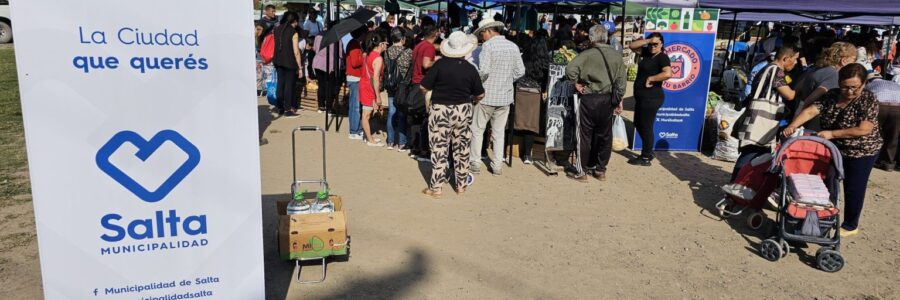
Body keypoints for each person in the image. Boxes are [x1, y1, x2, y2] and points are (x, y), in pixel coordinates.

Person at [784, 63, 883, 237]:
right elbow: (810, 111)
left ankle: (851, 225)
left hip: (861, 151)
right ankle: (820, 217)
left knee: (853, 187)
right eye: (845, 87)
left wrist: (832, 134)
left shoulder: (868, 99)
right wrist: (793, 125)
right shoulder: (831, 95)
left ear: (864, 84)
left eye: (854, 87)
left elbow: (864, 129)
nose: (849, 91)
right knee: (824, 183)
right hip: (834, 149)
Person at [420, 31, 485, 198]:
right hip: (463, 110)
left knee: (439, 149)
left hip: (440, 110)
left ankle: (436, 188)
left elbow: (423, 87)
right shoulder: (471, 69)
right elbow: (480, 94)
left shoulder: (439, 66)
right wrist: (473, 100)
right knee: (462, 148)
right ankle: (461, 186)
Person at [565, 24, 626, 182]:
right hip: (607, 100)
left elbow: (570, 69)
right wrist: (617, 99)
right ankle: (600, 170)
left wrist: (576, 84)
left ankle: (582, 172)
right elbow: (621, 83)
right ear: (605, 38)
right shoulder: (617, 56)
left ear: (591, 38)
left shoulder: (587, 54)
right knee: (605, 136)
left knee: (584, 136)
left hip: (589, 98)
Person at [731, 46, 800, 181]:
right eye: (795, 59)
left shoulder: (765, 68)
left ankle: (742, 183)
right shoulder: (776, 71)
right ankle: (735, 183)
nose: (796, 63)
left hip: (757, 117)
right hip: (761, 121)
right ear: (786, 58)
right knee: (752, 152)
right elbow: (789, 95)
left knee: (757, 153)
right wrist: (803, 88)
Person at [470, 19, 526, 176]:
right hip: (505, 97)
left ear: (488, 31)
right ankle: (497, 165)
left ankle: (475, 162)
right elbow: (520, 71)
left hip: (486, 96)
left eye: (482, 34)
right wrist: (508, 79)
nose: (482, 38)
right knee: (499, 132)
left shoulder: (488, 46)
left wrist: (476, 85)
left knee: (477, 130)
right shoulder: (513, 46)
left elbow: (484, 71)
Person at [791, 42, 857, 131]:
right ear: (844, 61)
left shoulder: (815, 68)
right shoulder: (833, 75)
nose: (853, 65)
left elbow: (796, 89)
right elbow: (811, 99)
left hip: (801, 114)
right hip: (813, 121)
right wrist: (796, 122)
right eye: (853, 61)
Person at [628, 32, 672, 166]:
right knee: (638, 123)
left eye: (656, 44)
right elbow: (631, 46)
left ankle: (646, 156)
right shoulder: (647, 52)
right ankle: (648, 150)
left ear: (661, 45)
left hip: (652, 97)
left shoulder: (662, 57)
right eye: (652, 44)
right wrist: (647, 40)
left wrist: (651, 78)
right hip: (642, 97)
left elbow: (668, 73)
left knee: (646, 126)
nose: (653, 46)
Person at [408, 25, 440, 161]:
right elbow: (426, 64)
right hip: (424, 85)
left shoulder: (419, 45)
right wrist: (437, 60)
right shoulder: (428, 47)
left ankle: (415, 147)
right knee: (425, 118)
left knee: (416, 117)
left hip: (415, 82)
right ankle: (424, 150)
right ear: (435, 34)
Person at [385, 28, 413, 151]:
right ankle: (401, 142)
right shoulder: (408, 52)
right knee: (402, 114)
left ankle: (390, 141)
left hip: (391, 85)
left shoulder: (387, 51)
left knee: (391, 112)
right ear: (402, 38)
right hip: (403, 86)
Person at [865, 73, 900, 172]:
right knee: (893, 135)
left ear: (868, 80)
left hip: (880, 106)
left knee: (872, 132)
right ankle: (889, 163)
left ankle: (870, 158)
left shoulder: (869, 85)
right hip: (898, 107)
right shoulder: (895, 84)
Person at [272, 11, 304, 118]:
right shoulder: (293, 32)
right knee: (289, 86)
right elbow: (296, 51)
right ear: (294, 21)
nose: (297, 24)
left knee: (280, 84)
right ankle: (288, 109)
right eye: (297, 22)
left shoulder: (276, 29)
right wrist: (300, 67)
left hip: (277, 60)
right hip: (289, 62)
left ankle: (280, 107)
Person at [360, 32, 388, 147]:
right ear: (381, 44)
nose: (387, 45)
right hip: (369, 87)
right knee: (366, 114)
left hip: (365, 84)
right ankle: (369, 139)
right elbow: (376, 78)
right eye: (386, 43)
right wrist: (378, 96)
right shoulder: (378, 58)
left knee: (367, 113)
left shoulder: (368, 54)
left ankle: (369, 137)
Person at [312, 21, 344, 113]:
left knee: (321, 85)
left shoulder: (319, 35)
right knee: (330, 86)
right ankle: (329, 107)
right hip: (330, 64)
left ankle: (321, 105)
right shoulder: (337, 37)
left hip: (318, 62)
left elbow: (315, 48)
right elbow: (340, 53)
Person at [345, 27, 367, 140]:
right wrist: (363, 57)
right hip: (354, 78)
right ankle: (354, 130)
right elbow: (355, 62)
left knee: (355, 105)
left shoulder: (356, 43)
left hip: (355, 77)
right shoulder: (354, 44)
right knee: (355, 106)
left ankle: (355, 129)